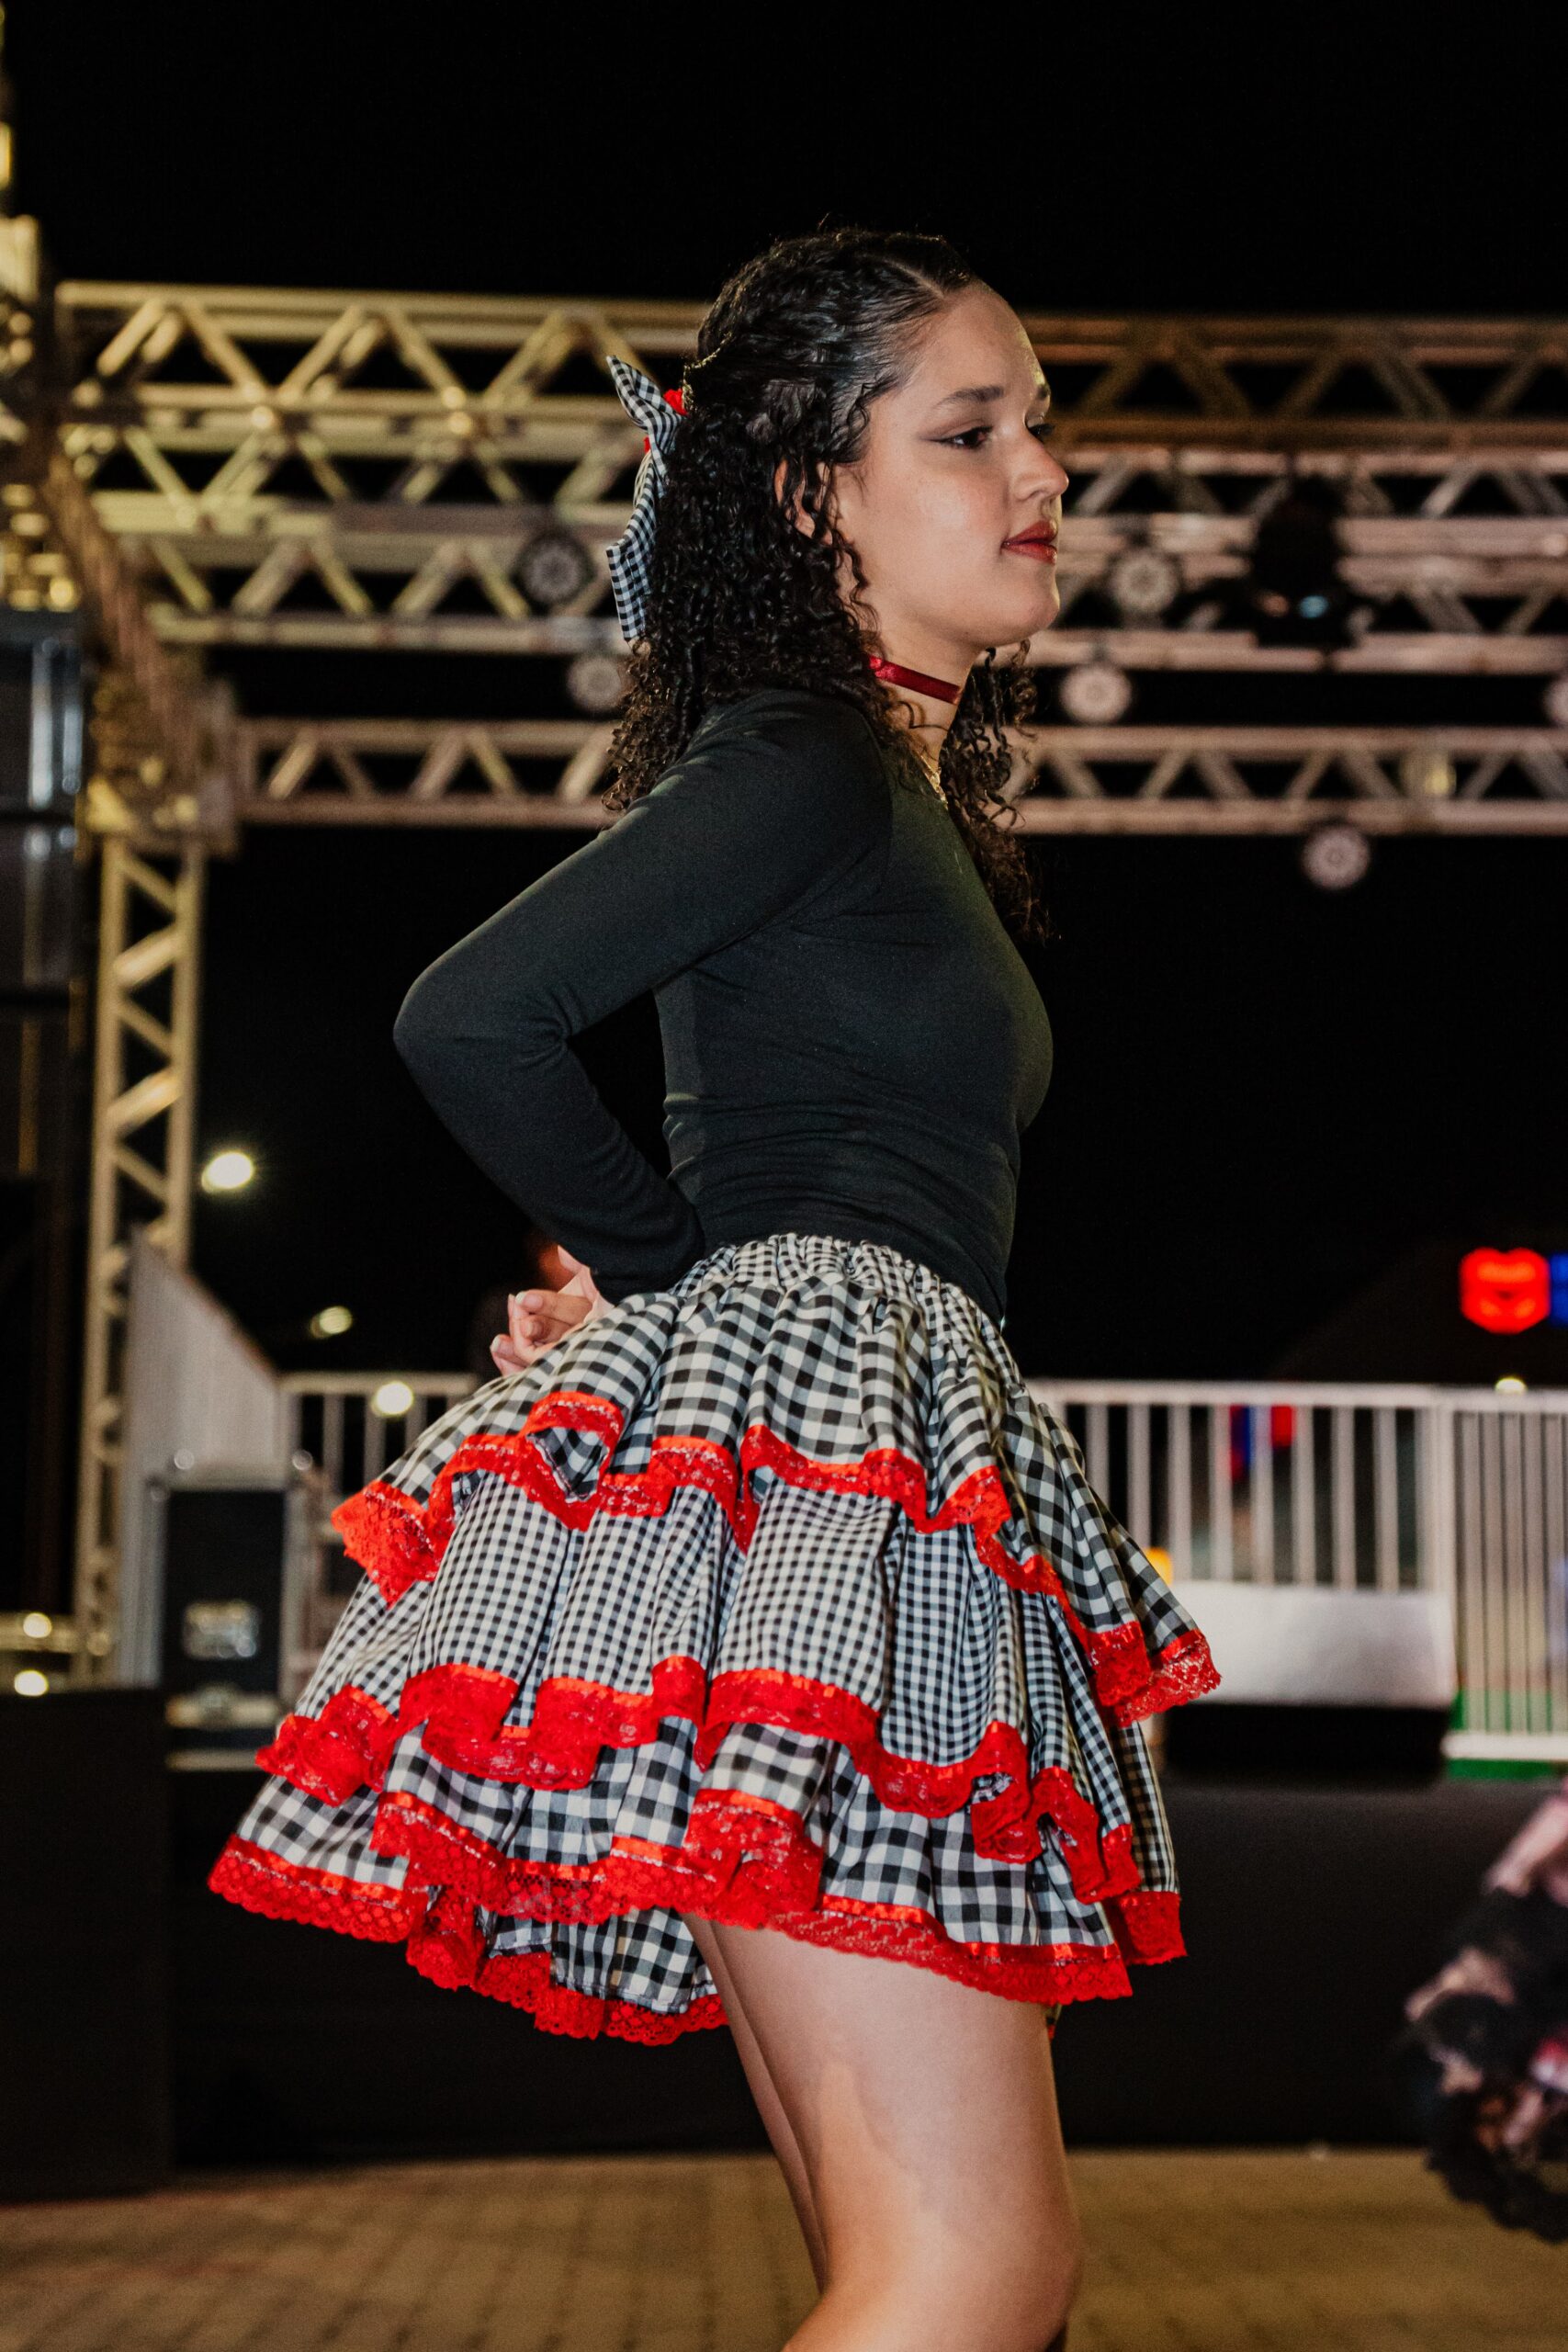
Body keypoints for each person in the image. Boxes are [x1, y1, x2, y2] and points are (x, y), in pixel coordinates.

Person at [209, 226, 1221, 2352]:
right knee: (966, 2270)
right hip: (845, 1475)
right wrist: (693, 1304)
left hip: (874, 1479)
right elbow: (472, 1015)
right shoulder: (805, 757)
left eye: (1034, 423)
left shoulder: (877, 788)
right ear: (803, 493)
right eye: (969, 429)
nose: (1042, 468)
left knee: (963, 2278)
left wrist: (664, 1299)